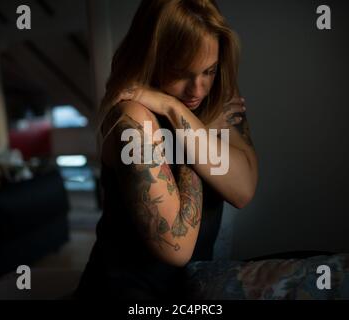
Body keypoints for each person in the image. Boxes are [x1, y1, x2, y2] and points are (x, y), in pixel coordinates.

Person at [75, 0, 258, 300]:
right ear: (152, 58)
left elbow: (243, 188)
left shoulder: (217, 96)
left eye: (208, 71)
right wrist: (201, 129)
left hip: (189, 293)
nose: (197, 90)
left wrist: (176, 110)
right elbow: (177, 246)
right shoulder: (133, 118)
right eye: (181, 73)